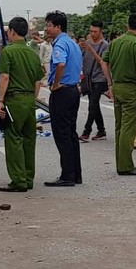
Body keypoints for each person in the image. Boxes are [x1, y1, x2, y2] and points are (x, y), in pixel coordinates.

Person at [0, 17, 44, 191]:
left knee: (13, 138)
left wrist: (0, 101)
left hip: (14, 99)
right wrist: (33, 98)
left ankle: (18, 180)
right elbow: (38, 80)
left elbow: (5, 77)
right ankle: (29, 177)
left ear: (12, 32)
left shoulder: (8, 52)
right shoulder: (32, 52)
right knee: (29, 139)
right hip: (30, 99)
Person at [105, 13, 136, 176]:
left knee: (119, 127)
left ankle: (121, 163)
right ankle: (126, 165)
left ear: (128, 25)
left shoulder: (115, 42)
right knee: (128, 128)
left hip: (117, 87)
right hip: (131, 89)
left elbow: (104, 62)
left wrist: (110, 83)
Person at [42, 11, 82, 186]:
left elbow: (61, 64)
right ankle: (76, 174)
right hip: (73, 91)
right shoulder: (72, 43)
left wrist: (55, 83)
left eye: (49, 25)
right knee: (71, 133)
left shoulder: (59, 45)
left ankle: (67, 175)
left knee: (62, 134)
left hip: (62, 92)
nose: (46, 29)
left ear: (58, 27)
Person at [78, 21, 110, 141]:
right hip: (88, 78)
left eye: (95, 32)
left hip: (100, 78)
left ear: (101, 31)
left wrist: (92, 50)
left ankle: (87, 131)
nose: (92, 34)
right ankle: (101, 130)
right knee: (94, 105)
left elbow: (103, 62)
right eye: (91, 31)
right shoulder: (87, 44)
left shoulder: (105, 45)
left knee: (92, 105)